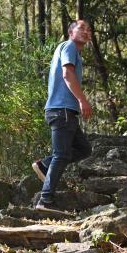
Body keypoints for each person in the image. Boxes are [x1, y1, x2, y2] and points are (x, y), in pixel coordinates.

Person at [31, 20, 94, 209]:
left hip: (65, 111)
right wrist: (83, 100)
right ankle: (45, 199)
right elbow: (67, 74)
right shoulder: (69, 46)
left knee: (83, 149)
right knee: (61, 154)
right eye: (82, 28)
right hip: (62, 110)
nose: (86, 32)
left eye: (89, 30)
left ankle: (44, 165)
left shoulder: (71, 50)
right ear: (70, 31)